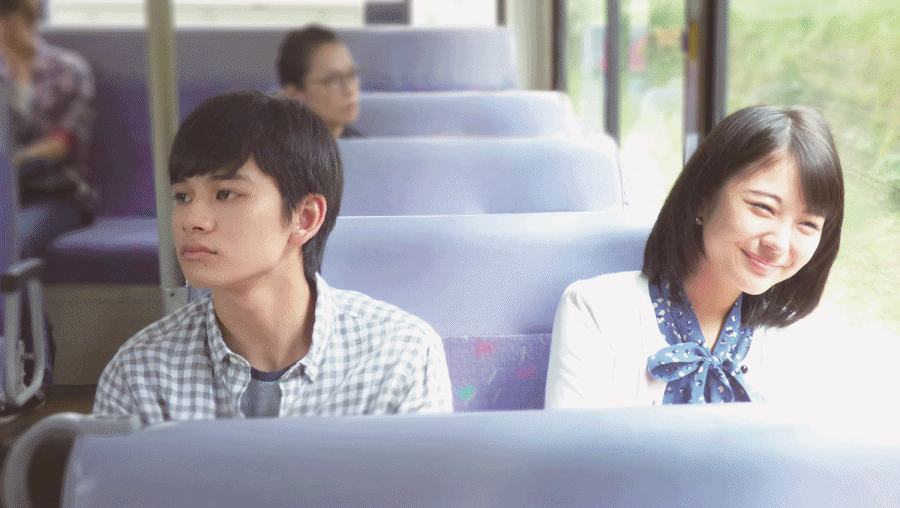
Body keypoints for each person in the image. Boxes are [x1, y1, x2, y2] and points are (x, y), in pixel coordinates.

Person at [93, 91, 452, 424]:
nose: (191, 220)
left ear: (305, 218)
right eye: (183, 197)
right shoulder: (141, 372)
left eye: (226, 193)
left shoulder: (399, 357)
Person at [545, 105, 844, 408]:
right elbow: (569, 441)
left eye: (808, 225)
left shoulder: (803, 339)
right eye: (763, 208)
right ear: (703, 198)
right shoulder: (595, 310)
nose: (778, 244)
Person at [0, 0, 96, 258]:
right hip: (5, 190)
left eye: (9, 15)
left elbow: (63, 143)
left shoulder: (67, 69)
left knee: (8, 242)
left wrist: (13, 161)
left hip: (52, 192)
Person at [277, 25, 362, 139]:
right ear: (293, 95)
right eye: (332, 80)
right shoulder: (268, 146)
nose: (349, 89)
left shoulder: (365, 146)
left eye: (351, 74)